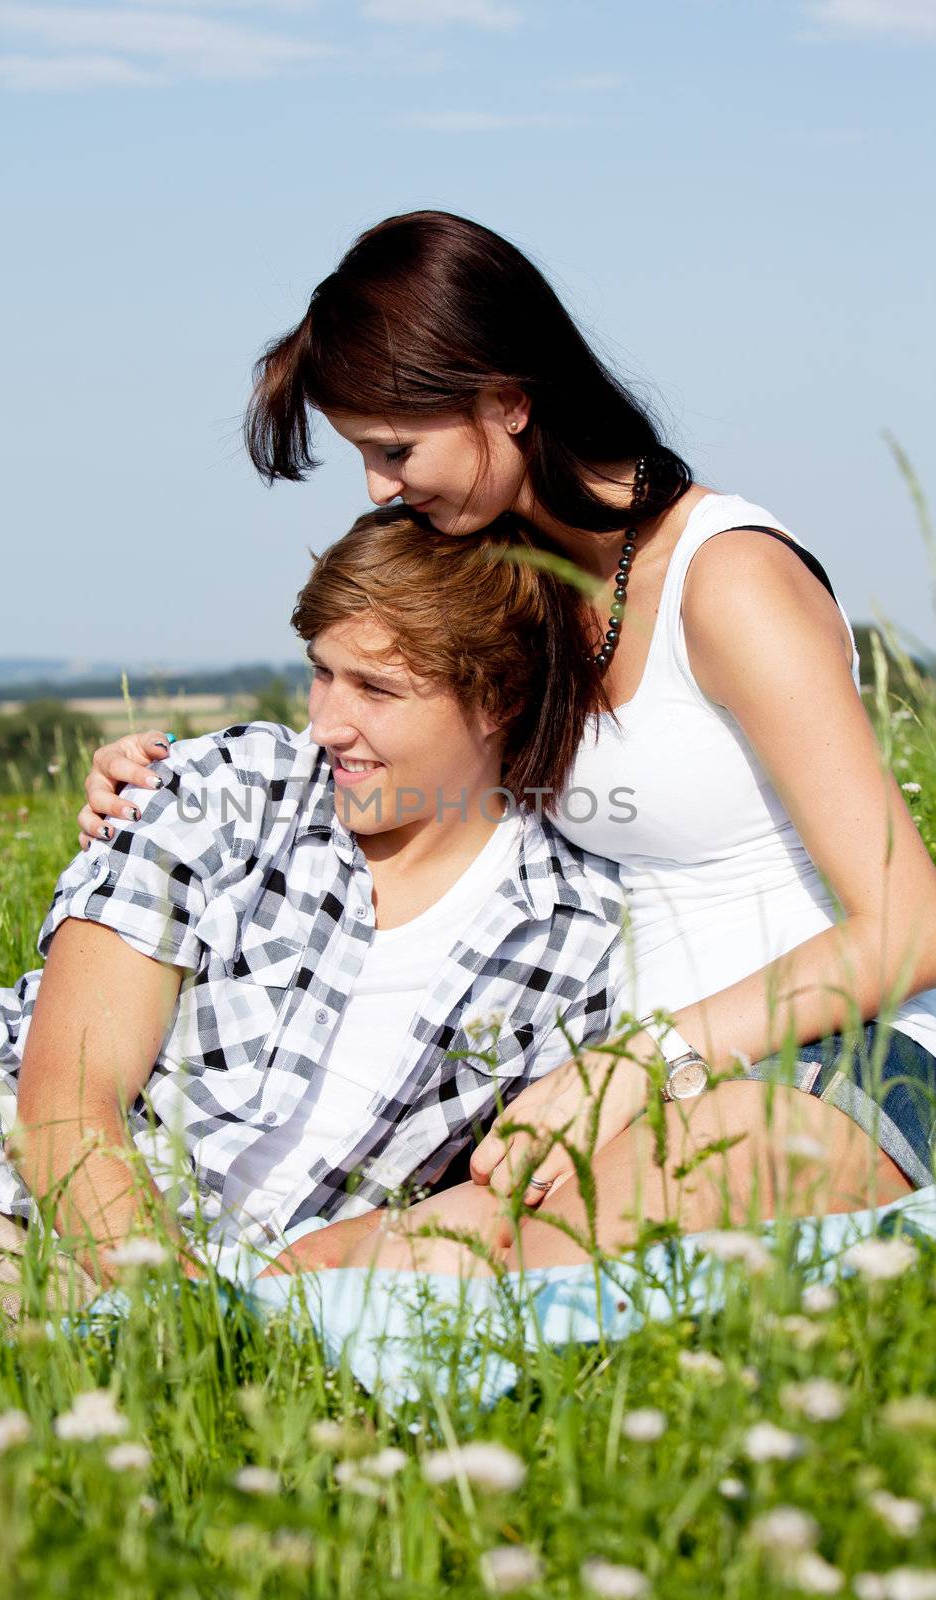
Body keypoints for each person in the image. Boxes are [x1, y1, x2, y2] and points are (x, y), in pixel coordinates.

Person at [79, 210, 936, 1277]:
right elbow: (382, 707)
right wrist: (166, 781)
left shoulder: (727, 582)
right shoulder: (515, 571)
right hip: (624, 1088)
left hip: (837, 1061)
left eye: (393, 448)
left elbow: (908, 922)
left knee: (485, 1272)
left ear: (507, 403)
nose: (377, 486)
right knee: (319, 1271)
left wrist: (643, 1058)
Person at [0, 507, 623, 1328]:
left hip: (133, 1273)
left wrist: (261, 1296)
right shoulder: (230, 786)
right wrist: (179, 1307)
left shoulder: (572, 937)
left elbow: (506, 1189)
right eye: (321, 672)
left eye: (376, 688)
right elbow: (64, 1099)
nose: (328, 723)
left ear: (498, 702)